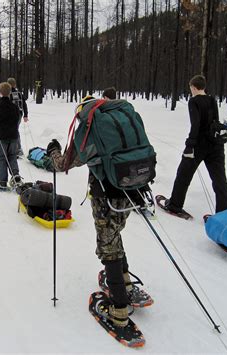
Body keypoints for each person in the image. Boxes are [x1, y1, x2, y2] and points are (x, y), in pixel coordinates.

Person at [46, 91, 153, 328]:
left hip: (107, 196)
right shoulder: (121, 120)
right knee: (114, 235)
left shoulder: (90, 129)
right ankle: (123, 280)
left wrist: (53, 150)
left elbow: (63, 163)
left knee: (108, 246)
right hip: (133, 187)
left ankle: (119, 310)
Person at [164, 75, 227, 214]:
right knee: (219, 179)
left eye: (191, 88)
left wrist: (190, 144)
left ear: (194, 87)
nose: (191, 91)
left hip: (199, 144)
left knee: (183, 174)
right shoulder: (212, 99)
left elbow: (196, 124)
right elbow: (214, 121)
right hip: (216, 144)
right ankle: (225, 212)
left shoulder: (194, 101)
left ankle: (175, 205)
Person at [0, 82, 22, 190]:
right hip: (14, 136)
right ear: (10, 92)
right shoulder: (14, 107)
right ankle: (16, 176)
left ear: (0, 92)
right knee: (12, 156)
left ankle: (2, 182)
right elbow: (17, 119)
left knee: (2, 158)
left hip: (3, 137)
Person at [7, 77, 29, 157]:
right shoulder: (19, 93)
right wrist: (26, 115)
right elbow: (24, 104)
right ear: (15, 84)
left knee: (13, 131)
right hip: (19, 114)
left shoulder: (8, 94)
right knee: (15, 130)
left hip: (10, 115)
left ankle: (17, 149)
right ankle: (15, 148)